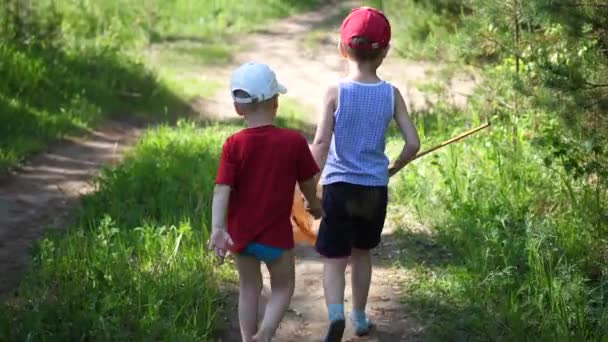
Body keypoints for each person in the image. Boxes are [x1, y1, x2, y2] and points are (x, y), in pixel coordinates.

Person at [309, 7, 421, 341]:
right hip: (373, 188)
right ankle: (358, 316)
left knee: (334, 257)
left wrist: (308, 185)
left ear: (343, 49)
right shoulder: (391, 94)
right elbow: (413, 143)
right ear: (384, 52)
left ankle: (334, 315)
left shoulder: (334, 92)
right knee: (361, 254)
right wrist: (393, 167)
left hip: (339, 186)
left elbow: (319, 143)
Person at [209, 62, 322, 342]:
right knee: (283, 286)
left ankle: (249, 339)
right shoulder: (293, 141)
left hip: (240, 235)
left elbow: (221, 190)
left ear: (238, 109)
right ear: (275, 102)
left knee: (249, 288)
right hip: (275, 237)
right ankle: (266, 334)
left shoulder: (232, 144)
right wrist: (315, 205)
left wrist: (218, 229)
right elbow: (308, 183)